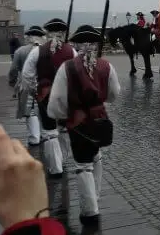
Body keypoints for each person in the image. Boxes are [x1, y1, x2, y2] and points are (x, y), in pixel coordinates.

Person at [48, 25, 120, 226]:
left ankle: (90, 211)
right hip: (100, 117)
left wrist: (61, 117)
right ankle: (94, 198)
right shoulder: (107, 66)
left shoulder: (67, 67)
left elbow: (57, 100)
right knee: (96, 157)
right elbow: (114, 94)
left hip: (78, 121)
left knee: (83, 165)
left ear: (77, 44)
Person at [22, 18, 77, 178]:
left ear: (47, 32)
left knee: (49, 131)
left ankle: (56, 167)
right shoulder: (71, 51)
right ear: (62, 33)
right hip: (66, 96)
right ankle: (62, 159)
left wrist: (34, 91)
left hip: (45, 95)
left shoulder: (37, 51)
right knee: (64, 129)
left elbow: (27, 76)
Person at [9, 26, 46, 147]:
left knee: (30, 111)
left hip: (26, 83)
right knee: (42, 109)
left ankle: (34, 137)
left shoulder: (20, 51)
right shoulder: (47, 50)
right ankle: (43, 133)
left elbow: (14, 69)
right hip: (45, 84)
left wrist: (12, 82)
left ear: (29, 36)